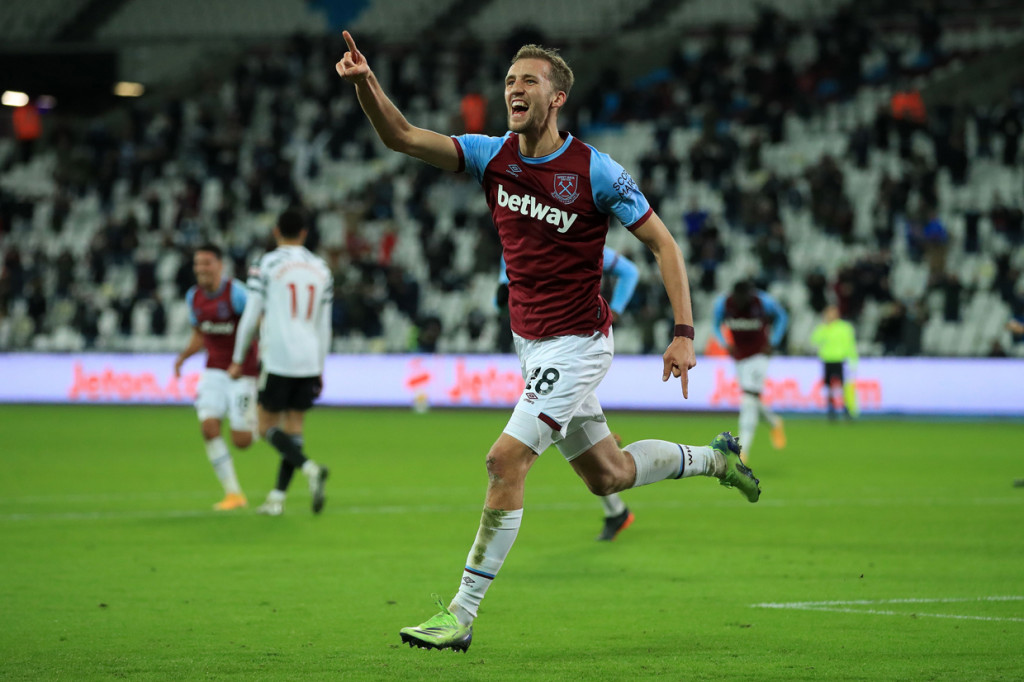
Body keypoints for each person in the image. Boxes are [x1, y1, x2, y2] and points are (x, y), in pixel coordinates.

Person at [336, 30, 761, 653]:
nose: (514, 89)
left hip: (579, 343)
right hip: (532, 345)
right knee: (609, 476)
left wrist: (683, 332)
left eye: (528, 81)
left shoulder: (595, 171)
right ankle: (716, 459)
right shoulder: (490, 154)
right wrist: (365, 84)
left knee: (504, 461)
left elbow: (665, 244)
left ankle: (460, 614)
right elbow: (402, 137)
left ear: (556, 96)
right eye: (510, 81)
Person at [501, 246, 640, 541]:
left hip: (574, 347)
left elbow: (630, 271)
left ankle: (616, 508)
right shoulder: (519, 234)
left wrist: (615, 310)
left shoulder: (573, 232)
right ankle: (616, 510)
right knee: (557, 430)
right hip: (535, 345)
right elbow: (504, 288)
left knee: (546, 428)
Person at [228, 209, 332, 517]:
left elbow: (251, 314)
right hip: (310, 357)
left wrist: (237, 358)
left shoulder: (267, 264)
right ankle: (277, 498)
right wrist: (321, 366)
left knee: (264, 428)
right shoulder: (322, 269)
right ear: (304, 234)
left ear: (276, 232)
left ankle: (309, 468)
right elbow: (325, 325)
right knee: (294, 428)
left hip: (278, 357)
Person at [173, 243, 259, 511]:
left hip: (242, 372)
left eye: (207, 263)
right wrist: (183, 357)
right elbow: (200, 333)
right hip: (213, 370)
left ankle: (262, 417)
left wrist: (249, 360)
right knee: (209, 428)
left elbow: (258, 324)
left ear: (220, 265)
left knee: (242, 441)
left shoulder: (237, 294)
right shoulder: (194, 297)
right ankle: (234, 494)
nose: (201, 268)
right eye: (198, 263)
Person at [711, 279, 789, 464]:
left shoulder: (763, 301)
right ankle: (774, 421)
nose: (741, 302)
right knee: (751, 398)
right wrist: (725, 344)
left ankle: (742, 451)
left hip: (759, 354)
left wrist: (774, 341)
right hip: (739, 356)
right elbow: (715, 325)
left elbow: (782, 316)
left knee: (748, 398)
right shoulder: (724, 304)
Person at [809, 304, 859, 419]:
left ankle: (847, 409)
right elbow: (814, 340)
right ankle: (831, 409)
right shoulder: (823, 327)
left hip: (841, 360)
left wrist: (853, 360)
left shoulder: (845, 327)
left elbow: (851, 344)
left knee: (844, 386)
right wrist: (824, 326)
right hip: (827, 360)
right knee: (829, 386)